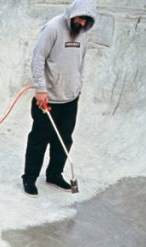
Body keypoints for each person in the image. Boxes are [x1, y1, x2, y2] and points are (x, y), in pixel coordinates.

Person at [22, 1, 96, 196]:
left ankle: (54, 174)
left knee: (64, 140)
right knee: (39, 140)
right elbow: (38, 58)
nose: (80, 23)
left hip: (70, 99)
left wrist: (79, 85)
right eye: (79, 18)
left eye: (85, 21)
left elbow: (82, 60)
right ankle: (29, 178)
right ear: (72, 14)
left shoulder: (83, 33)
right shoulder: (53, 28)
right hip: (48, 99)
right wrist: (40, 89)